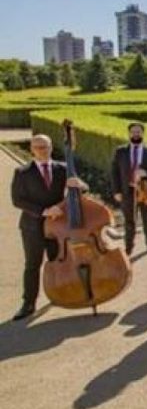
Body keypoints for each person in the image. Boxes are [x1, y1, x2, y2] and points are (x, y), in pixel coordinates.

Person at [10, 134, 88, 320]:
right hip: (32, 226)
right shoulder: (22, 172)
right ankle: (28, 303)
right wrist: (43, 211)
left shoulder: (63, 168)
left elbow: (81, 190)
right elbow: (17, 200)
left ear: (51, 147)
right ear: (32, 149)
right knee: (32, 265)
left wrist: (81, 185)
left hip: (58, 228)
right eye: (38, 147)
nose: (42, 150)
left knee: (59, 262)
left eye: (45, 146)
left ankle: (61, 293)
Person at [111, 122, 147, 255]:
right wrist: (116, 191)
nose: (136, 134)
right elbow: (114, 172)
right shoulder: (120, 151)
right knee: (129, 221)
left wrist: (146, 172)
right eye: (133, 132)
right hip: (127, 191)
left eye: (138, 132)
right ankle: (128, 248)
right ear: (129, 134)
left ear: (143, 133)